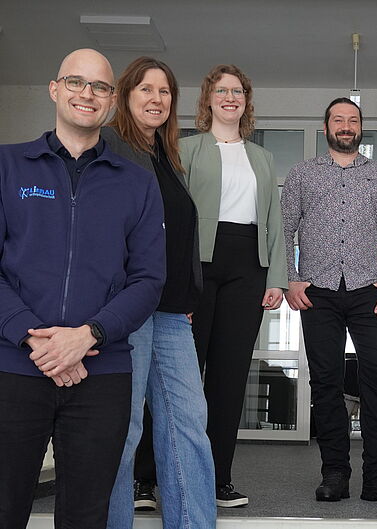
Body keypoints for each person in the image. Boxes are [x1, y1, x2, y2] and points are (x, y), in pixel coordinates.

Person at [0, 48, 165, 529]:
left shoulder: (137, 184)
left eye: (99, 87)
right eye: (76, 82)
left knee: (86, 516)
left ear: (112, 103)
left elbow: (149, 280)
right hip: (15, 366)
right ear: (55, 90)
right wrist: (35, 338)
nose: (86, 94)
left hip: (101, 372)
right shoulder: (9, 168)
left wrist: (86, 335)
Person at [103, 57, 216, 528]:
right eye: (146, 90)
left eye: (165, 92)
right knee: (124, 430)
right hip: (128, 309)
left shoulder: (168, 157)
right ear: (126, 96)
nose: (156, 99)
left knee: (189, 426)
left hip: (171, 313)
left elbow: (179, 233)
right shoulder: (110, 145)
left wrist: (189, 295)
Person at [282, 97, 377, 505]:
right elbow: (283, 231)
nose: (345, 125)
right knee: (325, 383)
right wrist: (291, 280)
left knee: (376, 381)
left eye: (352, 120)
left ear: (360, 128)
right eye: (338, 119)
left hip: (370, 291)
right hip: (316, 291)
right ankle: (335, 472)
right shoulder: (302, 174)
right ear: (326, 128)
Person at [180, 64, 288, 507]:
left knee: (228, 380)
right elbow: (178, 220)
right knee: (182, 376)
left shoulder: (261, 157)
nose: (230, 97)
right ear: (208, 99)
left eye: (238, 91)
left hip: (249, 264)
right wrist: (178, 283)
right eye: (221, 91)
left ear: (246, 101)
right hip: (197, 263)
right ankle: (146, 479)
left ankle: (218, 478)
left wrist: (277, 278)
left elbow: (274, 223)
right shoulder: (184, 148)